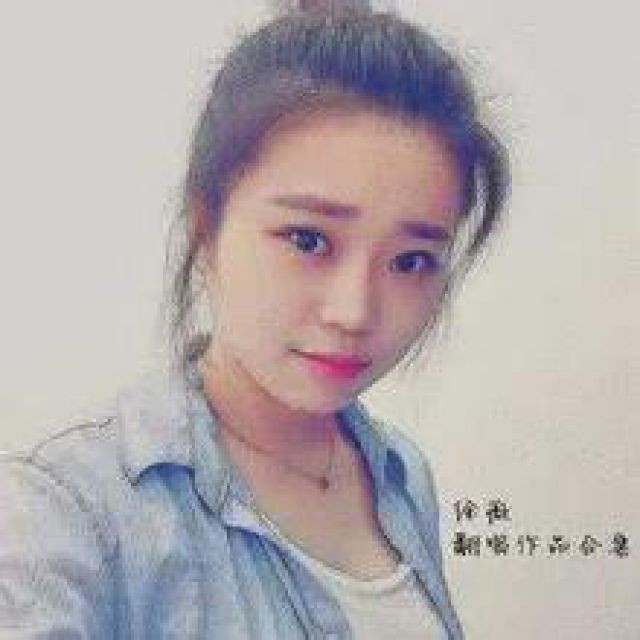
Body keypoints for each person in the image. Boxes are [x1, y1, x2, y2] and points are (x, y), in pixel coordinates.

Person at [0, 1, 509, 638]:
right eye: (308, 240)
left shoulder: (400, 473)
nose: (354, 312)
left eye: (410, 261)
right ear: (206, 226)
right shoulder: (67, 514)